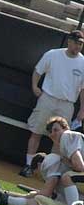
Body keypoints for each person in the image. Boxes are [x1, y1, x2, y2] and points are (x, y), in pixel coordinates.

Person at [19, 30, 84, 178]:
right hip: (48, 98)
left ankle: (52, 172)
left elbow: (83, 89)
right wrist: (35, 87)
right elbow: (38, 70)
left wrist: (82, 110)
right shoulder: (53, 54)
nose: (78, 46)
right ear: (69, 41)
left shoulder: (83, 62)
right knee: (36, 132)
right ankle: (28, 165)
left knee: (61, 140)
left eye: (81, 44)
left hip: (67, 104)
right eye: (76, 42)